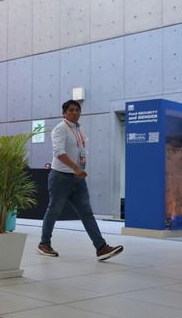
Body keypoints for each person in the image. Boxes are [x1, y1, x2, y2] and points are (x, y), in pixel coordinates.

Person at [38, 100, 124, 261]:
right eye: (71, 110)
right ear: (64, 113)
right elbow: (58, 152)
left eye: (77, 110)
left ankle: (101, 248)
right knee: (54, 210)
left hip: (77, 179)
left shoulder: (78, 129)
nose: (75, 112)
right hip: (61, 177)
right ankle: (44, 243)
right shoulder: (60, 129)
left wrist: (78, 170)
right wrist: (76, 168)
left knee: (87, 213)